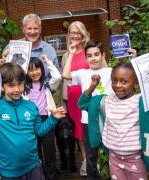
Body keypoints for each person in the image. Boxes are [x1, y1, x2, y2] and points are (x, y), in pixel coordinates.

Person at [0, 62, 66, 180]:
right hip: (10, 172)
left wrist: (53, 119)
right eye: (11, 85)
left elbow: (39, 131)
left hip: (33, 167)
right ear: (2, 86)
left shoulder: (31, 106)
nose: (17, 89)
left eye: (20, 84)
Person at [78, 61, 149, 180]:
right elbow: (83, 104)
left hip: (135, 159)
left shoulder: (141, 101)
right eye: (114, 81)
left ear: (135, 83)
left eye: (123, 81)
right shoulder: (106, 101)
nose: (117, 85)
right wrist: (93, 85)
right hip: (114, 158)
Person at [62, 39, 113, 179]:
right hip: (88, 122)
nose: (93, 58)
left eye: (96, 54)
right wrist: (71, 54)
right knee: (91, 156)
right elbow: (66, 75)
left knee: (111, 154)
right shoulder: (82, 73)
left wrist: (132, 58)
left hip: (108, 120)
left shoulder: (110, 71)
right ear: (86, 57)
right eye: (89, 55)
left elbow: (129, 75)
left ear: (103, 55)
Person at [23, 55, 61, 180]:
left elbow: (58, 77)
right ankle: (39, 176)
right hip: (30, 122)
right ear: (26, 72)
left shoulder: (46, 84)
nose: (34, 72)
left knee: (50, 151)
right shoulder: (23, 87)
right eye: (31, 70)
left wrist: (48, 62)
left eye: (37, 69)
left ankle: (52, 176)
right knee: (36, 152)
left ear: (42, 69)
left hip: (47, 120)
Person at [60, 21, 90, 176]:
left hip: (88, 96)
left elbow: (102, 70)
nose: (74, 35)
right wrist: (62, 101)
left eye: (78, 32)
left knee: (90, 128)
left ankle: (95, 159)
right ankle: (85, 161)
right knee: (78, 130)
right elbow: (64, 78)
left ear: (83, 34)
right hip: (72, 98)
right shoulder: (66, 55)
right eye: (72, 32)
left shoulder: (90, 51)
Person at [0, 13, 59, 80]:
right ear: (23, 30)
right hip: (17, 89)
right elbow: (2, 77)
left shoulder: (49, 50)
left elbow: (56, 77)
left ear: (40, 30)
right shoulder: (11, 47)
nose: (32, 32)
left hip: (43, 89)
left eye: (35, 28)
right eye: (29, 28)